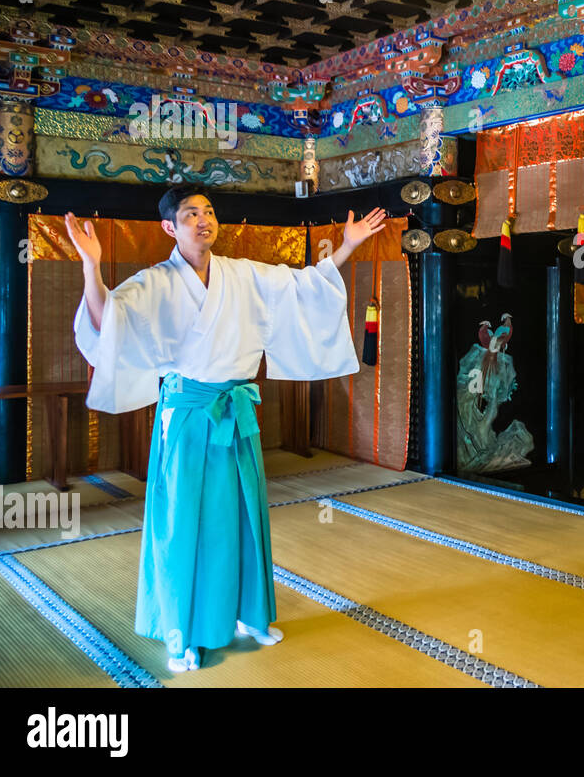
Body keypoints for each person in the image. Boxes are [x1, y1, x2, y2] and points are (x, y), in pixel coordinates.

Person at [65, 184, 386, 673]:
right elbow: (105, 319)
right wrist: (91, 267)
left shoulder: (242, 274)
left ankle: (247, 613)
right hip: (190, 418)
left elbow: (303, 286)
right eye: (191, 213)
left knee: (243, 514)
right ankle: (183, 633)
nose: (203, 220)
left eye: (209, 211)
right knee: (185, 525)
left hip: (236, 415)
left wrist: (346, 245)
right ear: (170, 227)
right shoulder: (156, 282)